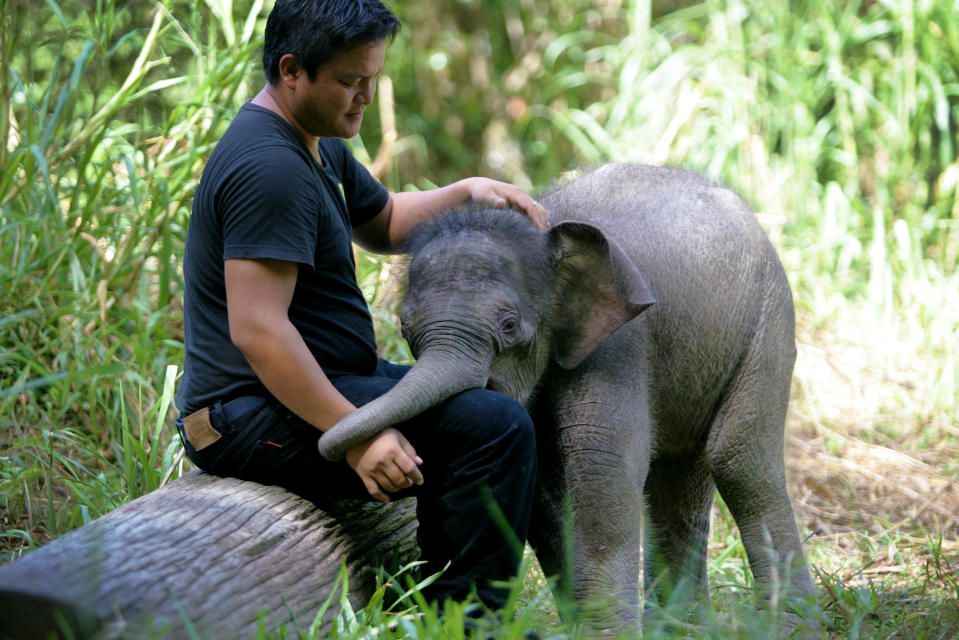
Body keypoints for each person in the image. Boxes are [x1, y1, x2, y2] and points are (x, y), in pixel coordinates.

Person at [174, 0, 547, 618]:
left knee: (482, 400)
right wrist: (357, 435)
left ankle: (447, 603)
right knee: (492, 428)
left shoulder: (312, 141)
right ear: (292, 71)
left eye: (372, 79)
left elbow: (384, 223)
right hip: (246, 416)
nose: (365, 97)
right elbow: (259, 330)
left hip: (303, 390)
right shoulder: (270, 167)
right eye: (350, 82)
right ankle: (472, 624)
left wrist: (467, 194)